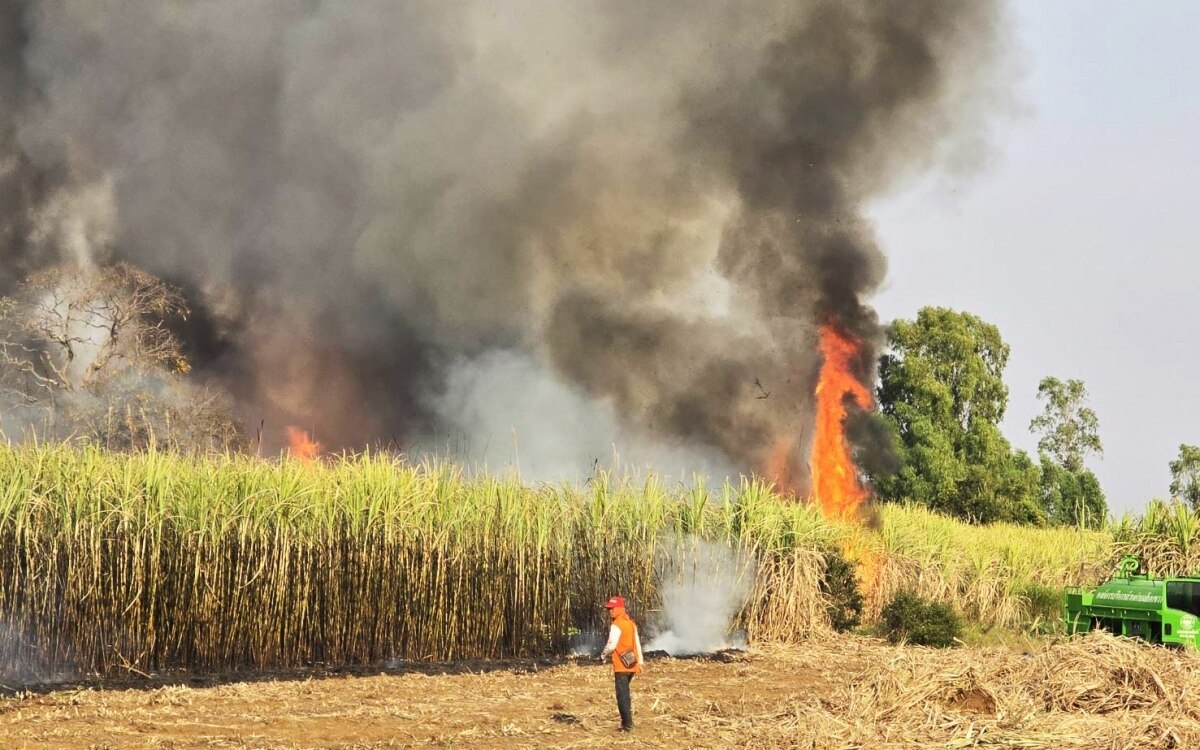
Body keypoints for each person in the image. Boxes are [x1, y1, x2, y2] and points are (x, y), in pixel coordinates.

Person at [600, 595, 643, 732]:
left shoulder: (616, 625)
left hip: (621, 665)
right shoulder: (631, 623)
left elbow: (611, 645)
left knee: (622, 695)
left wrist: (603, 655)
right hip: (632, 664)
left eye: (612, 609)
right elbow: (637, 644)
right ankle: (628, 722)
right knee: (626, 693)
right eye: (609, 609)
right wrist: (640, 662)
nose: (610, 611)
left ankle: (627, 725)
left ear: (619, 609)